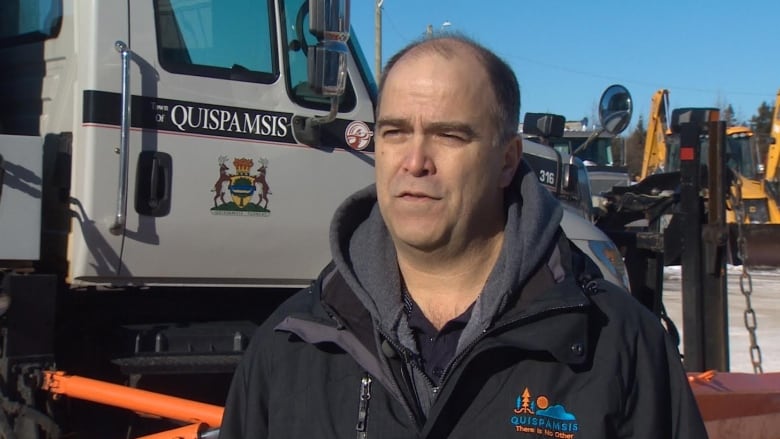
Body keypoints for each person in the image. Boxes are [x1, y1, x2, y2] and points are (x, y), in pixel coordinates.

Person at [219, 35, 707, 439]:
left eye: (449, 136)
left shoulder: (617, 346)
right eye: (393, 133)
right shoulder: (293, 345)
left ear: (508, 160)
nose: (414, 162)